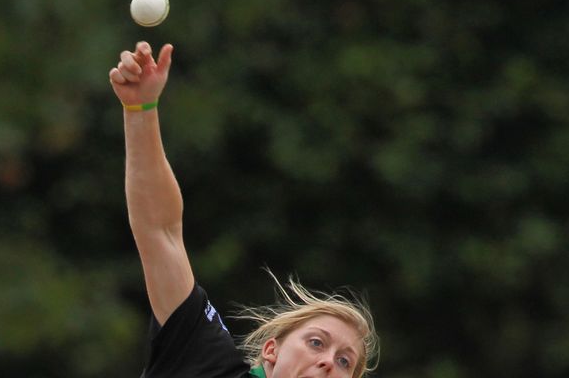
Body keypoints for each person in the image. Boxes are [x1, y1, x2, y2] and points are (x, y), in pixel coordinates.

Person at [109, 41, 379, 378]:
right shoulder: (207, 363)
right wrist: (141, 108)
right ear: (271, 351)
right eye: (315, 342)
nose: (328, 361)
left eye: (344, 362)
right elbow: (160, 231)